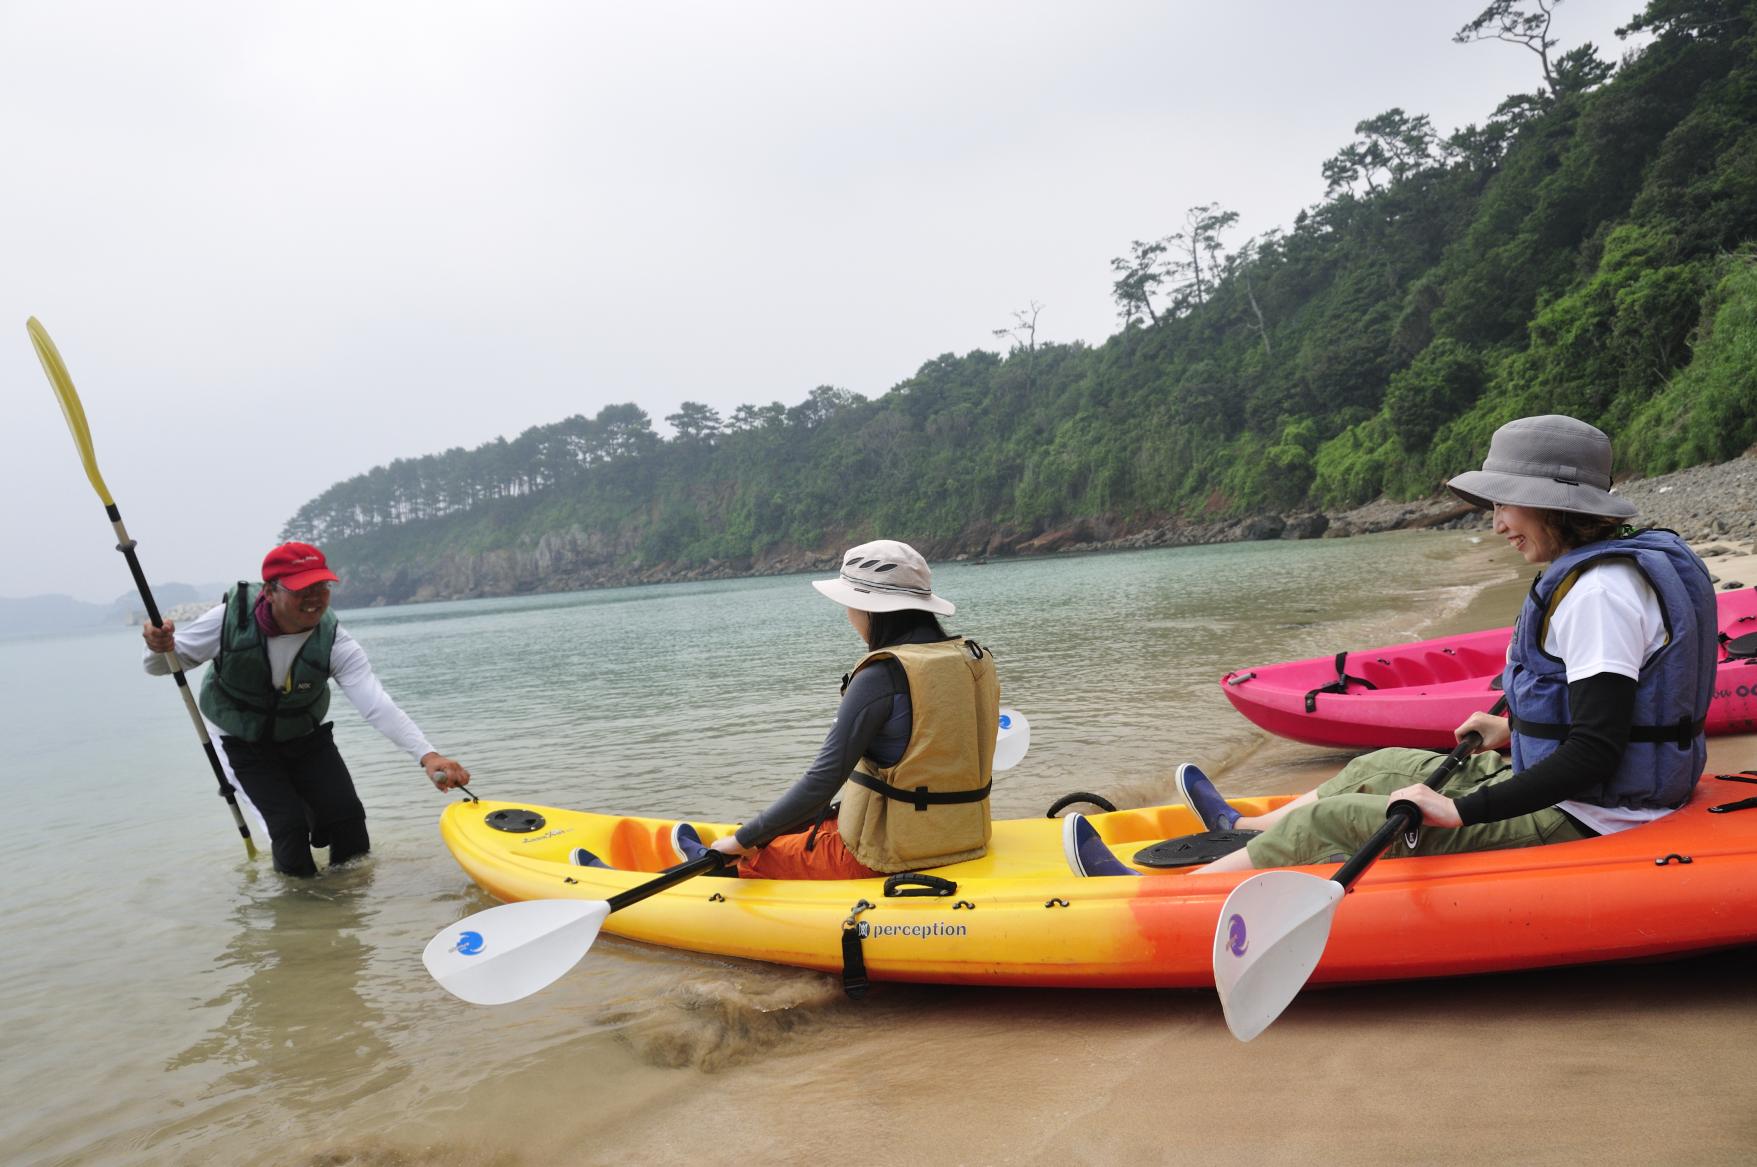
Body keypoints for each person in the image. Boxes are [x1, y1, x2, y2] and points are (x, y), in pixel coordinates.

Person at [1159, 414, 1718, 875]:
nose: (1497, 524)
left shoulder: (1598, 594)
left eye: (1505, 505)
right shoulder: (1614, 571)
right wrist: (1514, 728)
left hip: (1591, 814)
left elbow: (1596, 752)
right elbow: (1618, 710)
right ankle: (1239, 832)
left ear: (1556, 506)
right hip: (1591, 793)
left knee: (1328, 822)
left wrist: (1456, 809)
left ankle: (1168, 893)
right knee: (1380, 767)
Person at [572, 539, 1000, 879]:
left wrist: (742, 841)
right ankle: (708, 851)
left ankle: (675, 872)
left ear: (872, 608)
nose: (849, 615)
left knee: (749, 857)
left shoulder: (882, 675)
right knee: (778, 832)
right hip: (965, 834)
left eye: (850, 604)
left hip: (891, 852)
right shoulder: (972, 660)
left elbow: (820, 782)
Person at [143, 541, 471, 877]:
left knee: (348, 818)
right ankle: (299, 912)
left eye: (322, 586)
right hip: (240, 740)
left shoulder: (334, 639)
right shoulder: (230, 620)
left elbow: (376, 704)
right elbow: (160, 664)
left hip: (304, 735)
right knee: (288, 829)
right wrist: (159, 646)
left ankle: (352, 905)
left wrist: (428, 756)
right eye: (303, 589)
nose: (315, 598)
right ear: (270, 592)